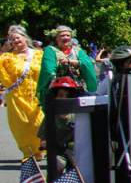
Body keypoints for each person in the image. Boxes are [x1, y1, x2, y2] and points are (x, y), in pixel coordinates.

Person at [0, 25, 45, 158]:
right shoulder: (7, 58)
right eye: (12, 40)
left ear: (25, 38)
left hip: (36, 95)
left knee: (38, 123)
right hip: (17, 97)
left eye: (17, 38)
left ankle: (39, 148)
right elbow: (3, 76)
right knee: (21, 127)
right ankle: (28, 152)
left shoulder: (38, 54)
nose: (15, 41)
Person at [37, 25, 97, 108]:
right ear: (56, 38)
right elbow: (48, 69)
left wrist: (72, 62)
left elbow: (88, 64)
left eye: (68, 35)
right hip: (57, 90)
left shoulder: (78, 51)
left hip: (77, 88)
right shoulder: (50, 50)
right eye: (62, 35)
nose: (65, 37)